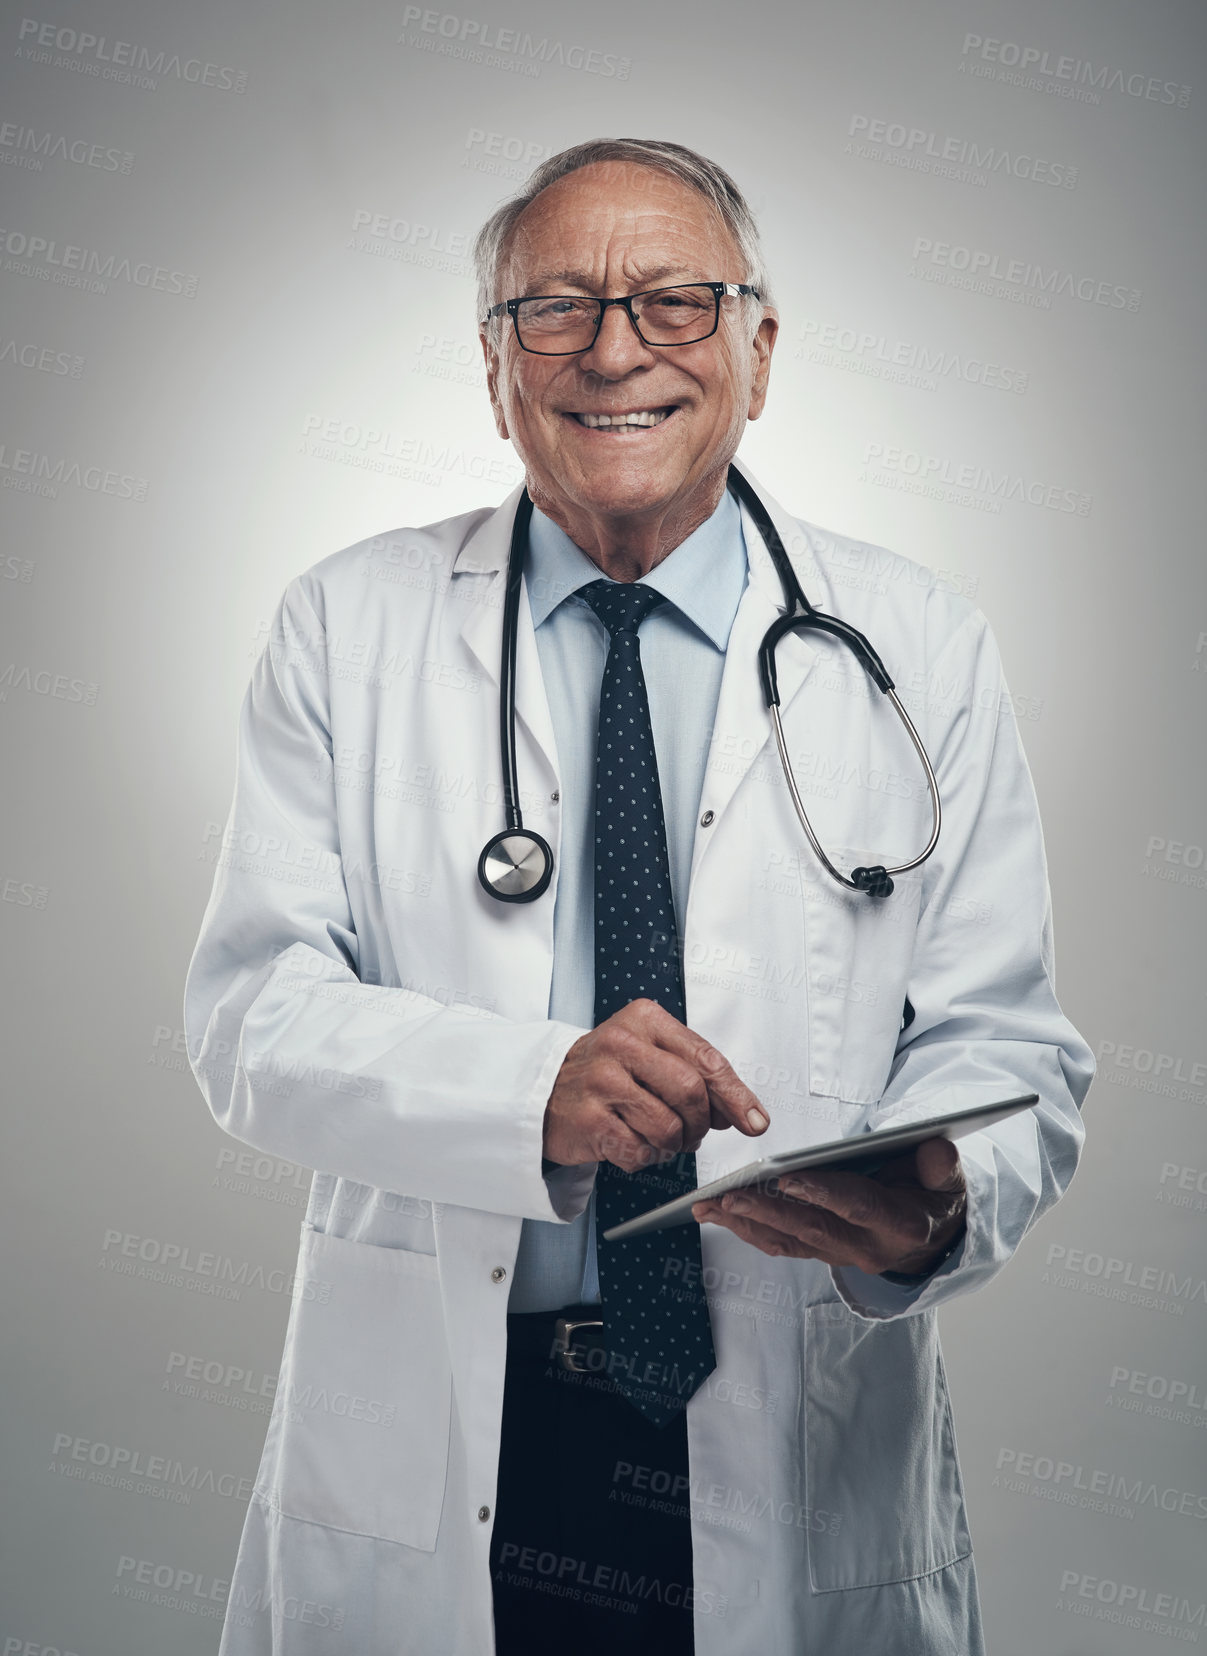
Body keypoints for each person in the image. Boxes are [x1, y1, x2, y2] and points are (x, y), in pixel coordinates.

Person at [184, 137, 1094, 1655]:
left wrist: (935, 1211)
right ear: (494, 365)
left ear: (759, 347)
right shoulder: (347, 628)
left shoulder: (919, 645)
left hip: (795, 1438)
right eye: (557, 308)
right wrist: (534, 1087)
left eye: (678, 301)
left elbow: (1014, 1051)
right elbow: (250, 1020)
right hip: (451, 1440)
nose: (616, 351)